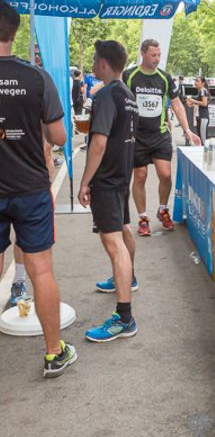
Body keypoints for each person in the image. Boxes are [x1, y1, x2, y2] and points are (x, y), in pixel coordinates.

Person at [0, 0, 77, 377]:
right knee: (41, 270)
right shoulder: (38, 78)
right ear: (14, 33)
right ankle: (53, 352)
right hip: (30, 187)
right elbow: (60, 135)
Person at [78, 40, 139, 342]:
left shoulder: (106, 95)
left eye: (94, 57)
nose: (92, 61)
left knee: (114, 243)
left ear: (103, 63)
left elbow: (99, 143)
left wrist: (85, 181)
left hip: (107, 180)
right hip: (121, 176)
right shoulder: (128, 94)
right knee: (123, 232)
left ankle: (124, 317)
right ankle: (128, 277)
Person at [123, 39, 200, 236]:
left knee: (165, 174)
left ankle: (162, 209)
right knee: (140, 176)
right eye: (153, 55)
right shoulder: (130, 75)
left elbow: (177, 105)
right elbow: (119, 99)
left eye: (159, 55)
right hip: (137, 136)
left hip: (159, 135)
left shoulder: (165, 78)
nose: (157, 58)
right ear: (143, 53)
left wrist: (187, 130)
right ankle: (142, 218)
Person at [186, 75, 210, 144]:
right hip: (200, 117)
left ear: (203, 83)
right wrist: (192, 104)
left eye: (198, 81)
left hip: (203, 117)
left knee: (203, 139)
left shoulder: (203, 90)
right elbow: (200, 104)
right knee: (200, 138)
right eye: (195, 81)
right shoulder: (200, 91)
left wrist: (192, 100)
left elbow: (204, 103)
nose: (195, 83)